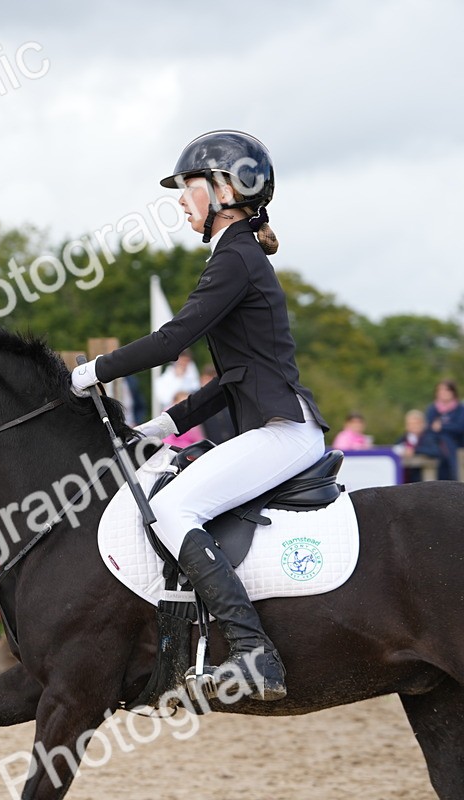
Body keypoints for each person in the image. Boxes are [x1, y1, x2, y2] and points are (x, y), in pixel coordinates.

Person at [71, 130, 328, 702]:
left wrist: (93, 371)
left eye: (189, 188)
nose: (181, 201)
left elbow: (172, 340)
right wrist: (164, 425)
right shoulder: (238, 255)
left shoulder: (235, 257)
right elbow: (234, 377)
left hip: (282, 431)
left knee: (170, 508)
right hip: (276, 425)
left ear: (225, 191)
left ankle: (254, 653)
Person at [425, 380, 464, 480]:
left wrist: (442, 427)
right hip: (437, 446)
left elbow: (460, 427)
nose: (443, 393)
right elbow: (430, 428)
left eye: (446, 390)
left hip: (456, 445)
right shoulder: (432, 409)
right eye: (440, 390)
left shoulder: (460, 409)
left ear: (453, 392)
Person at [395, 409, 443, 483]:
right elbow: (395, 449)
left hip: (421, 478)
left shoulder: (428, 437)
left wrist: (415, 451)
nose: (413, 426)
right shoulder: (403, 438)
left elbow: (435, 452)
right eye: (410, 424)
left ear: (423, 424)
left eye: (416, 423)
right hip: (405, 478)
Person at [153, 349, 202, 417]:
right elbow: (165, 399)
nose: (184, 364)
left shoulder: (192, 375)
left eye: (186, 361)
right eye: (182, 361)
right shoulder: (164, 379)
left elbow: (197, 390)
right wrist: (179, 378)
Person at [197, 364, 236, 445]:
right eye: (206, 380)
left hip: (232, 442)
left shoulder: (227, 398)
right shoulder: (197, 404)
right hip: (211, 445)